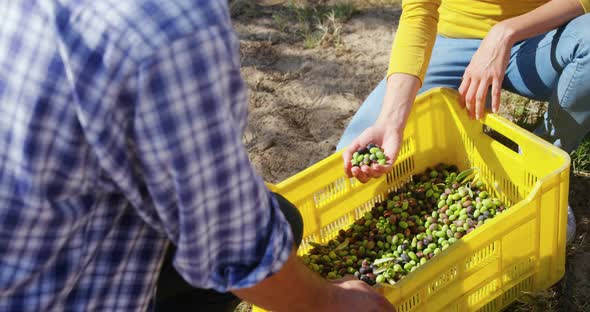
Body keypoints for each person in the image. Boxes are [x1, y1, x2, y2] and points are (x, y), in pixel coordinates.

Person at [0, 1, 395, 311]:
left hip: (32, 237)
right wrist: (330, 301)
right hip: (45, 292)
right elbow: (237, 249)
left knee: (282, 217)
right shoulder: (168, 22)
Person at [337, 0, 589, 244]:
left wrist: (505, 32)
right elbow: (418, 11)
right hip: (453, 39)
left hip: (540, 37)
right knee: (346, 163)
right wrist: (389, 122)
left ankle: (540, 171)